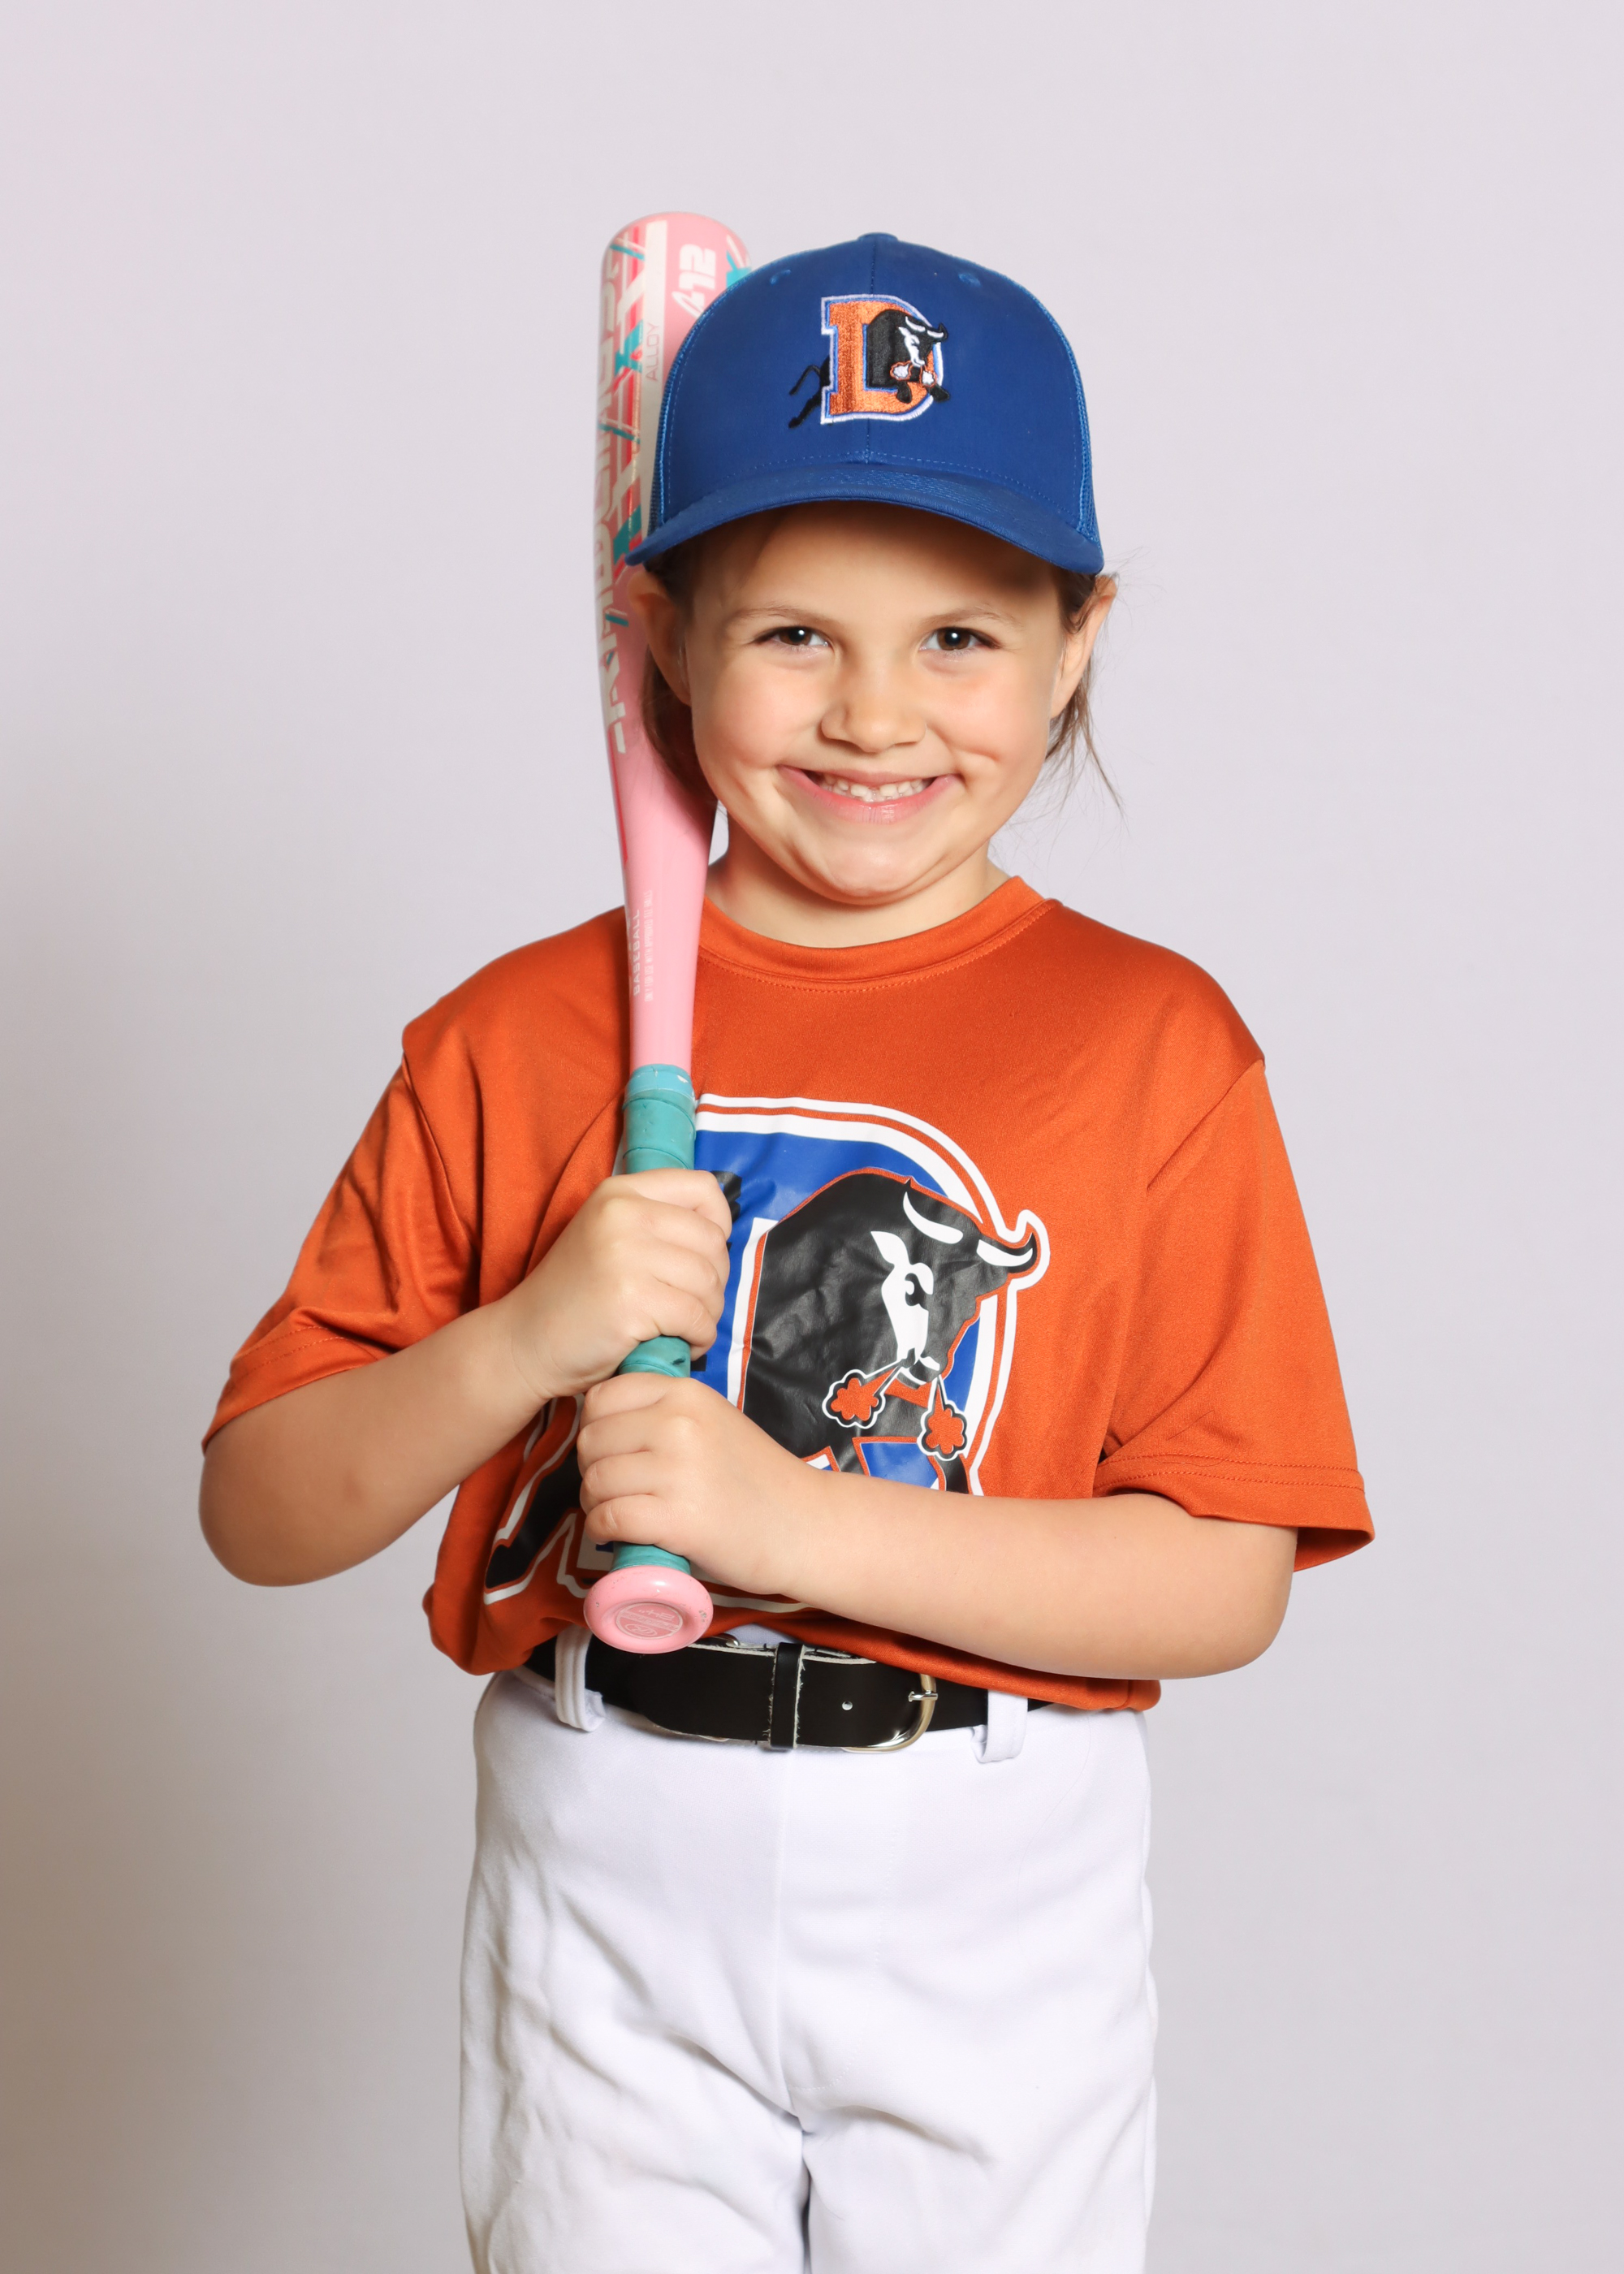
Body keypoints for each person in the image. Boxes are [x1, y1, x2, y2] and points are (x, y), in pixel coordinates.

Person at [201, 232, 1371, 2272]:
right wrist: (530, 1336)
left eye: (958, 636)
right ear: (659, 636)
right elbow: (261, 1509)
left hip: (985, 1853)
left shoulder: (1153, 1044)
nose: (873, 712)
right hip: (611, 1828)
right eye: (794, 633)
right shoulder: (515, 1035)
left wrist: (785, 1519)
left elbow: (1220, 1577)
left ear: (1077, 639)